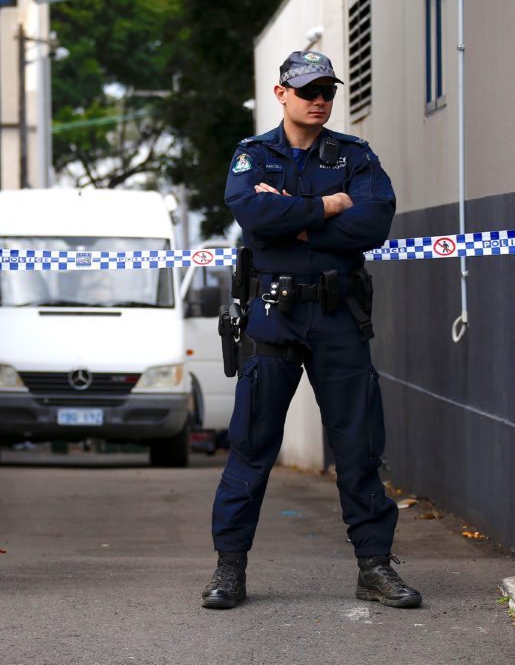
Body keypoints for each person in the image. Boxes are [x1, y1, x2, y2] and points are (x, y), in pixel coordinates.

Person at [202, 51, 421, 610]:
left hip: (337, 316)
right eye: (308, 91)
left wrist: (295, 224)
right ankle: (230, 570)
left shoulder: (353, 155)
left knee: (359, 445)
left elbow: (373, 222)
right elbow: (254, 219)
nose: (320, 99)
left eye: (327, 90)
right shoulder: (253, 155)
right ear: (282, 94)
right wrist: (327, 206)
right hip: (273, 316)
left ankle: (374, 568)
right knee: (252, 446)